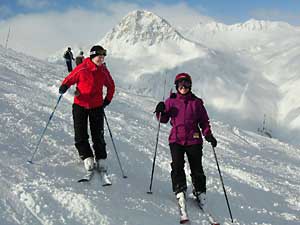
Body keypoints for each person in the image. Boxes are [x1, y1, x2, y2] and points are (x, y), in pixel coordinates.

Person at [155, 73, 217, 208]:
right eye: (181, 84)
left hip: (193, 139)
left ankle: (200, 191)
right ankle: (179, 188)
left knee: (196, 167)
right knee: (177, 165)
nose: (183, 87)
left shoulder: (196, 102)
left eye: (186, 84)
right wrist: (160, 111)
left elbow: (204, 121)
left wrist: (208, 134)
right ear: (176, 86)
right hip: (176, 139)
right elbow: (163, 119)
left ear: (190, 86)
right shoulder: (171, 101)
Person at [59, 45, 115, 172]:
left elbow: (111, 86)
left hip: (96, 106)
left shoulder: (103, 71)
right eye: (99, 57)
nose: (101, 59)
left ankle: (101, 157)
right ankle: (86, 155)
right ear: (93, 56)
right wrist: (64, 86)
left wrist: (107, 100)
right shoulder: (82, 68)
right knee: (80, 132)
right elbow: (70, 78)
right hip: (80, 105)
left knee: (98, 133)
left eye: (103, 57)